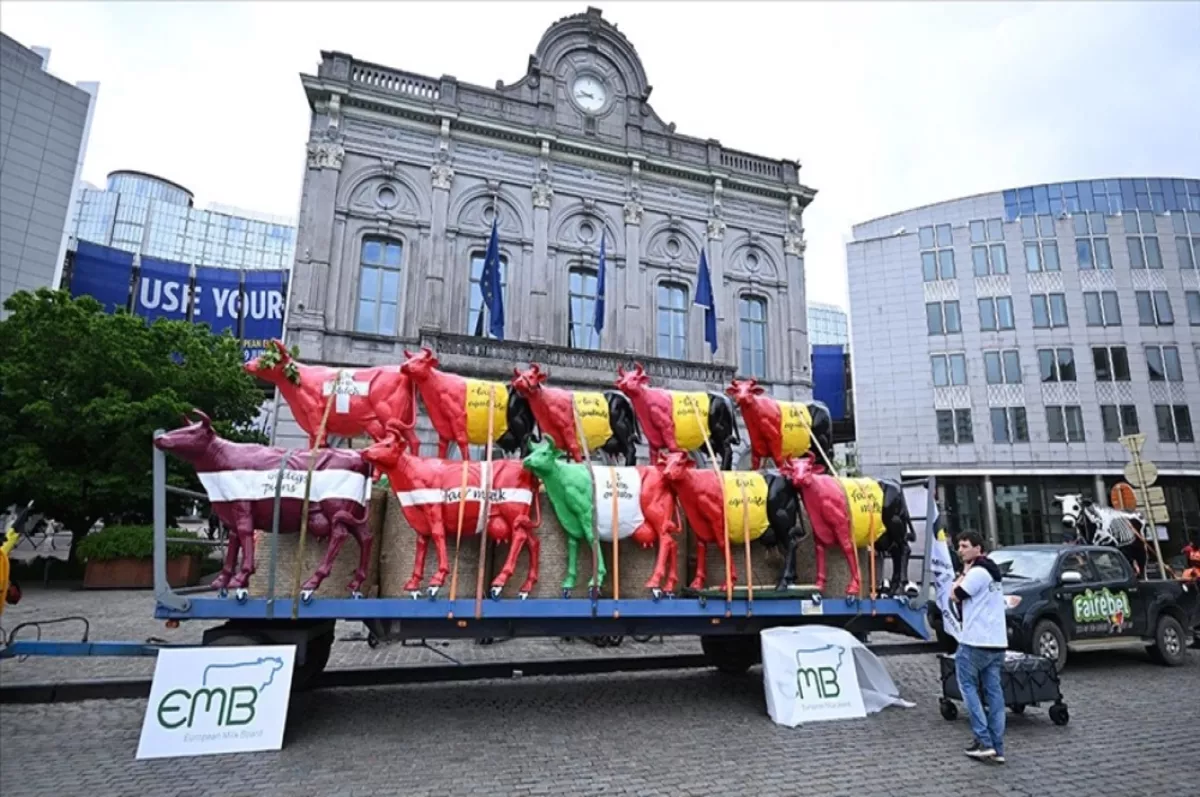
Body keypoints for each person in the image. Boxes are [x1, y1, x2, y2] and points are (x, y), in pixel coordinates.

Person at [952, 531, 1008, 764]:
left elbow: (956, 595)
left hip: (975, 641)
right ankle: (997, 746)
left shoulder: (977, 572)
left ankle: (983, 741)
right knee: (994, 693)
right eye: (959, 546)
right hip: (996, 642)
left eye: (965, 546)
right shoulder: (993, 573)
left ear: (978, 549)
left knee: (968, 688)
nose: (960, 550)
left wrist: (961, 575)